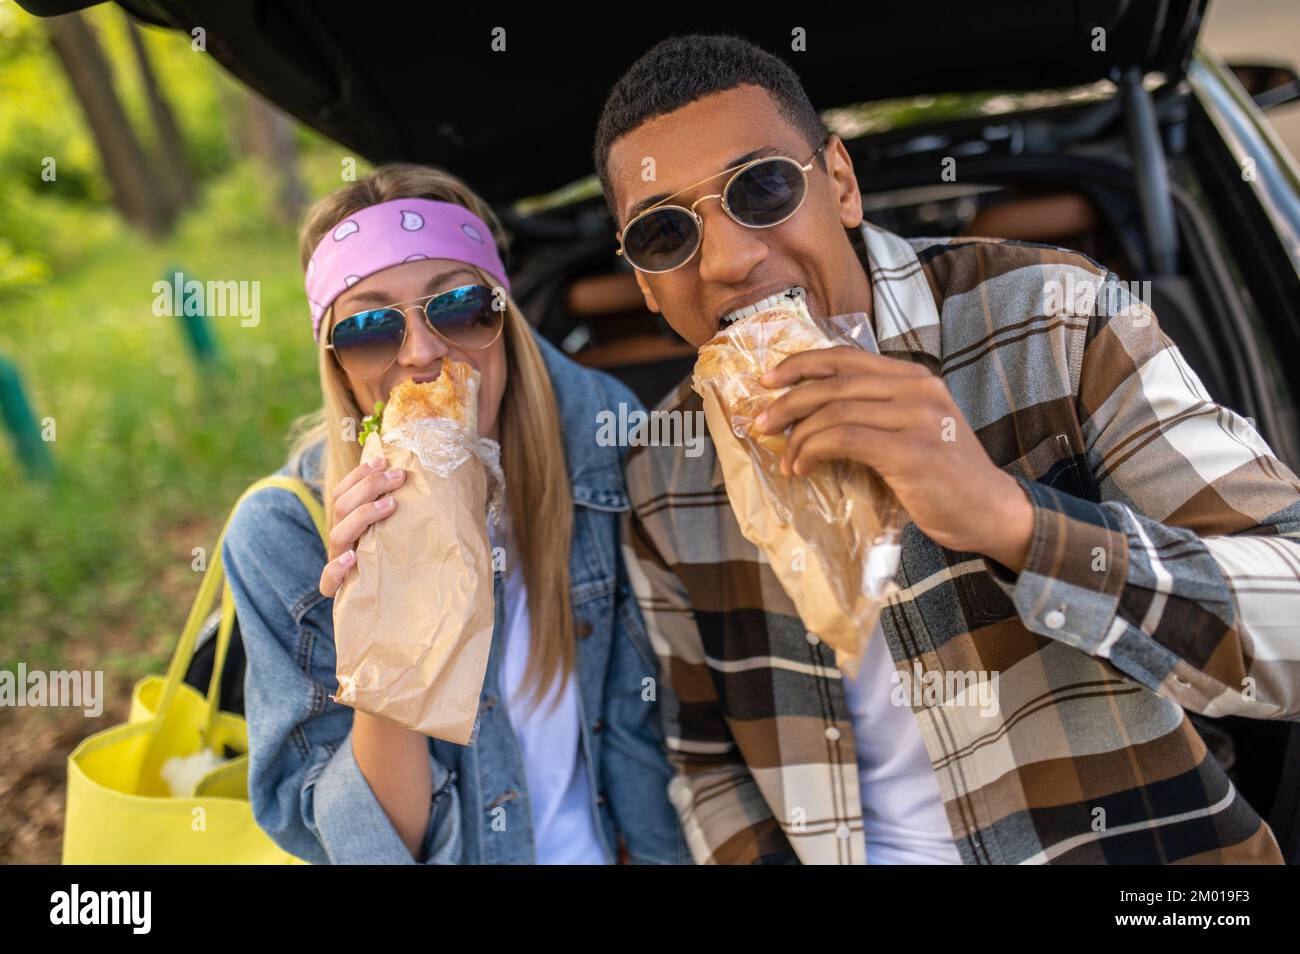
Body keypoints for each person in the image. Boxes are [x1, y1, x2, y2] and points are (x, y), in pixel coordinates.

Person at [594, 34, 1300, 864]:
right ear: (643, 281)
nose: (728, 259)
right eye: (663, 233)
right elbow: (706, 762)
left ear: (843, 184)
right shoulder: (661, 472)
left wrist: (1016, 522)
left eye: (764, 187)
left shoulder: (1053, 319)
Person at [221, 163, 688, 865]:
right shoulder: (282, 536)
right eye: (371, 328)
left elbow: (663, 729)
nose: (422, 352)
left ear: (504, 319)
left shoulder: (603, 439)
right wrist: (391, 617)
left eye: (460, 306)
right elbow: (368, 849)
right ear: (339, 364)